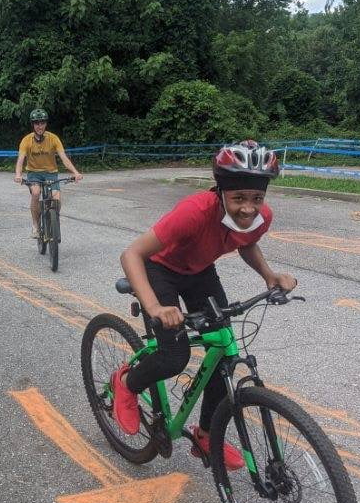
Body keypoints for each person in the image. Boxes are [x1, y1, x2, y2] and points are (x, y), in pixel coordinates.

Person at [112, 139, 297, 470]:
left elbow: (247, 242)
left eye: (257, 198)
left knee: (224, 354)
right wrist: (154, 307)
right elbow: (132, 254)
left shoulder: (261, 216)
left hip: (198, 270)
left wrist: (270, 276)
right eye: (238, 198)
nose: (248, 208)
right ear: (220, 191)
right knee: (174, 355)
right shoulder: (194, 211)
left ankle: (206, 435)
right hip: (159, 268)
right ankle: (126, 384)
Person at [14, 109, 83, 238]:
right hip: (33, 173)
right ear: (33, 125)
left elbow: (64, 158)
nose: (40, 126)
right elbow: (20, 160)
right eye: (37, 123)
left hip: (51, 173)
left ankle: (53, 221)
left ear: (46, 124)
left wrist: (75, 172)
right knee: (35, 193)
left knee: (56, 199)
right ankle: (35, 225)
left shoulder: (53, 138)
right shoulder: (26, 140)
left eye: (42, 123)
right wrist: (18, 174)